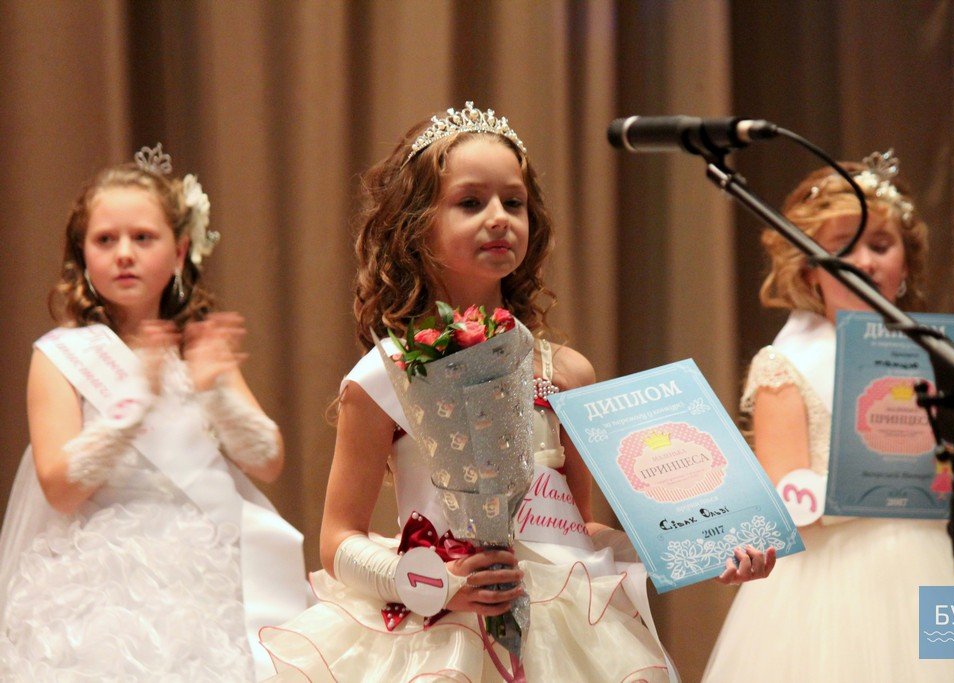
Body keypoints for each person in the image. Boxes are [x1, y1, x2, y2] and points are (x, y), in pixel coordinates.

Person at [259, 102, 774, 682]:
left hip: (565, 630)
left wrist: (704, 546)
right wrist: (435, 584)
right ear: (416, 226)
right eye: (470, 202)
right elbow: (337, 540)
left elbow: (576, 530)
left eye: (514, 202)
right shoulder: (387, 374)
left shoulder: (567, 372)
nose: (499, 218)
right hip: (443, 633)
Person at [702, 151, 954, 682]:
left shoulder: (939, 358)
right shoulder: (786, 362)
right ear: (809, 268)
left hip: (943, 572)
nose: (866, 263)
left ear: (906, 264)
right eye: (842, 247)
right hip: (834, 584)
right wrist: (878, 482)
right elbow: (785, 499)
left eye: (880, 245)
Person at [0, 145, 306, 681]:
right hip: (97, 577)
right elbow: (60, 488)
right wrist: (132, 405)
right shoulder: (61, 355)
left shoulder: (198, 348)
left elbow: (268, 461)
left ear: (180, 249)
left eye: (143, 238)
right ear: (82, 254)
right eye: (105, 240)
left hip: (207, 568)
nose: (124, 253)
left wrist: (217, 395)